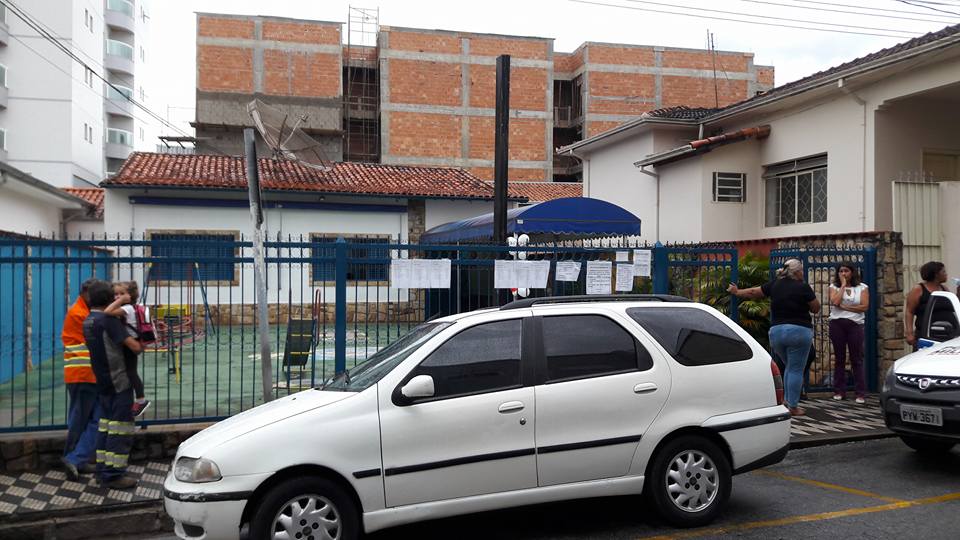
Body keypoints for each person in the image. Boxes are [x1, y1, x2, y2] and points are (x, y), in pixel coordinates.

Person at [728, 259, 820, 416]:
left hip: (776, 332)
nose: (803, 273)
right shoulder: (803, 287)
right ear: (797, 272)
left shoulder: (775, 285)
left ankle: (786, 401)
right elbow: (816, 308)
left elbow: (753, 292)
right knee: (796, 369)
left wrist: (737, 292)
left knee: (789, 366)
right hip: (799, 331)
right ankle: (793, 406)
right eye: (802, 271)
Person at [83, 280, 143, 489]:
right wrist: (140, 341)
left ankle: (101, 470)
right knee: (120, 430)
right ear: (109, 298)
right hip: (119, 382)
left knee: (105, 428)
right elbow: (134, 347)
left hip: (103, 382)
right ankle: (114, 474)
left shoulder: (89, 320)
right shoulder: (108, 321)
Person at [60, 279, 99, 481]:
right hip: (83, 374)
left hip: (85, 374)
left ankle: (76, 459)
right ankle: (74, 459)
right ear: (86, 293)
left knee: (88, 419)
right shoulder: (80, 314)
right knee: (81, 419)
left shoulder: (81, 310)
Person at [828, 263, 869, 404]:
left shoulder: (862, 287)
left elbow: (864, 306)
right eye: (841, 271)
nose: (844, 273)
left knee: (856, 359)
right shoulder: (834, 287)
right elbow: (835, 301)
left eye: (846, 270)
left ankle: (860, 393)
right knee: (839, 359)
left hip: (855, 325)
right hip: (837, 324)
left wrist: (845, 307)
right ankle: (839, 391)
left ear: (852, 272)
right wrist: (843, 285)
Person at [108, 281, 151, 417]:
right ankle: (138, 399)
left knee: (131, 372)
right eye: (115, 294)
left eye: (122, 294)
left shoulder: (127, 308)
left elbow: (107, 312)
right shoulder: (128, 308)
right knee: (129, 371)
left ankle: (141, 400)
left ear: (130, 295)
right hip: (130, 342)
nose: (118, 297)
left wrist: (119, 301)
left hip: (131, 344)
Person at [905, 261, 950, 350]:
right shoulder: (919, 289)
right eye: (943, 272)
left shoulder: (944, 289)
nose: (946, 274)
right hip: (926, 334)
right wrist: (909, 333)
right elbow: (909, 311)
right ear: (936, 275)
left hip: (945, 335)